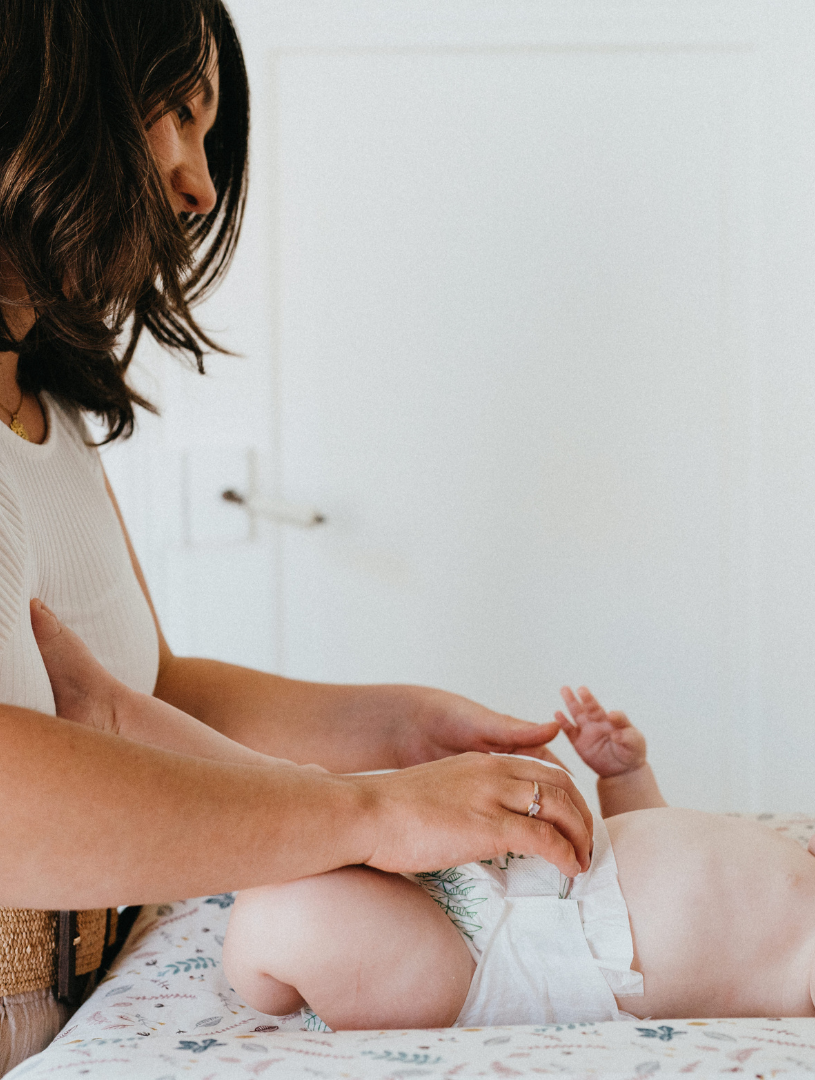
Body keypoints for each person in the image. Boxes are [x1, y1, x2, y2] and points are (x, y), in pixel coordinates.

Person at [0, 2, 588, 1072]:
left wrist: (391, 728)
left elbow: (151, 691)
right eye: (174, 116)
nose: (199, 184)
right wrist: (366, 814)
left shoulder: (46, 407)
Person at [28, 608, 815, 1027]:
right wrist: (630, 776)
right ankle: (128, 719)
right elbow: (660, 863)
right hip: (521, 884)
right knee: (300, 800)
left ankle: (252, 940)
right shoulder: (803, 878)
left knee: (297, 904)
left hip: (502, 969)